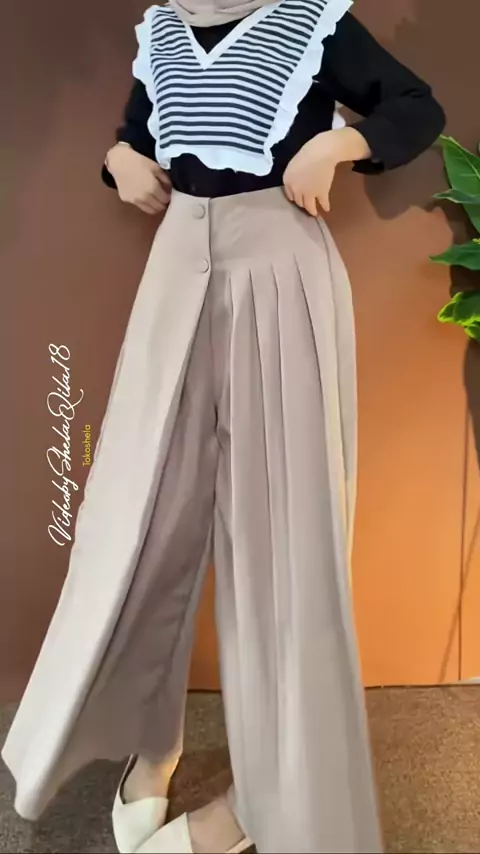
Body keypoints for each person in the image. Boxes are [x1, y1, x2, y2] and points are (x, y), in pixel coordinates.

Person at [2, 0, 445, 852]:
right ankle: (150, 739)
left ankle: (270, 805)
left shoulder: (310, 20)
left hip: (281, 267)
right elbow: (137, 133)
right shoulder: (163, 28)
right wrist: (119, 157)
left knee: (285, 539)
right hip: (176, 270)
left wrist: (339, 144)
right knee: (143, 518)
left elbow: (415, 106)